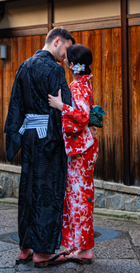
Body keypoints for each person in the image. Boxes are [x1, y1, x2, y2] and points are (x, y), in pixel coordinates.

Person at [3, 27, 74, 268]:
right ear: (56, 41)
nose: (66, 56)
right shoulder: (55, 69)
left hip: (29, 136)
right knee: (47, 191)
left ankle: (24, 248)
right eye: (65, 49)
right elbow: (66, 106)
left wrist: (15, 137)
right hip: (49, 139)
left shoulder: (24, 66)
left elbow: (16, 103)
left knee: (28, 190)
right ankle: (42, 253)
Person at [47, 44, 99, 265]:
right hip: (86, 147)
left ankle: (84, 249)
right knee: (80, 196)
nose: (64, 60)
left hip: (81, 150)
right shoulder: (83, 83)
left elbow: (81, 116)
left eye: (66, 58)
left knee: (79, 198)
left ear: (70, 64)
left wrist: (60, 106)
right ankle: (79, 245)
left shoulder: (77, 86)